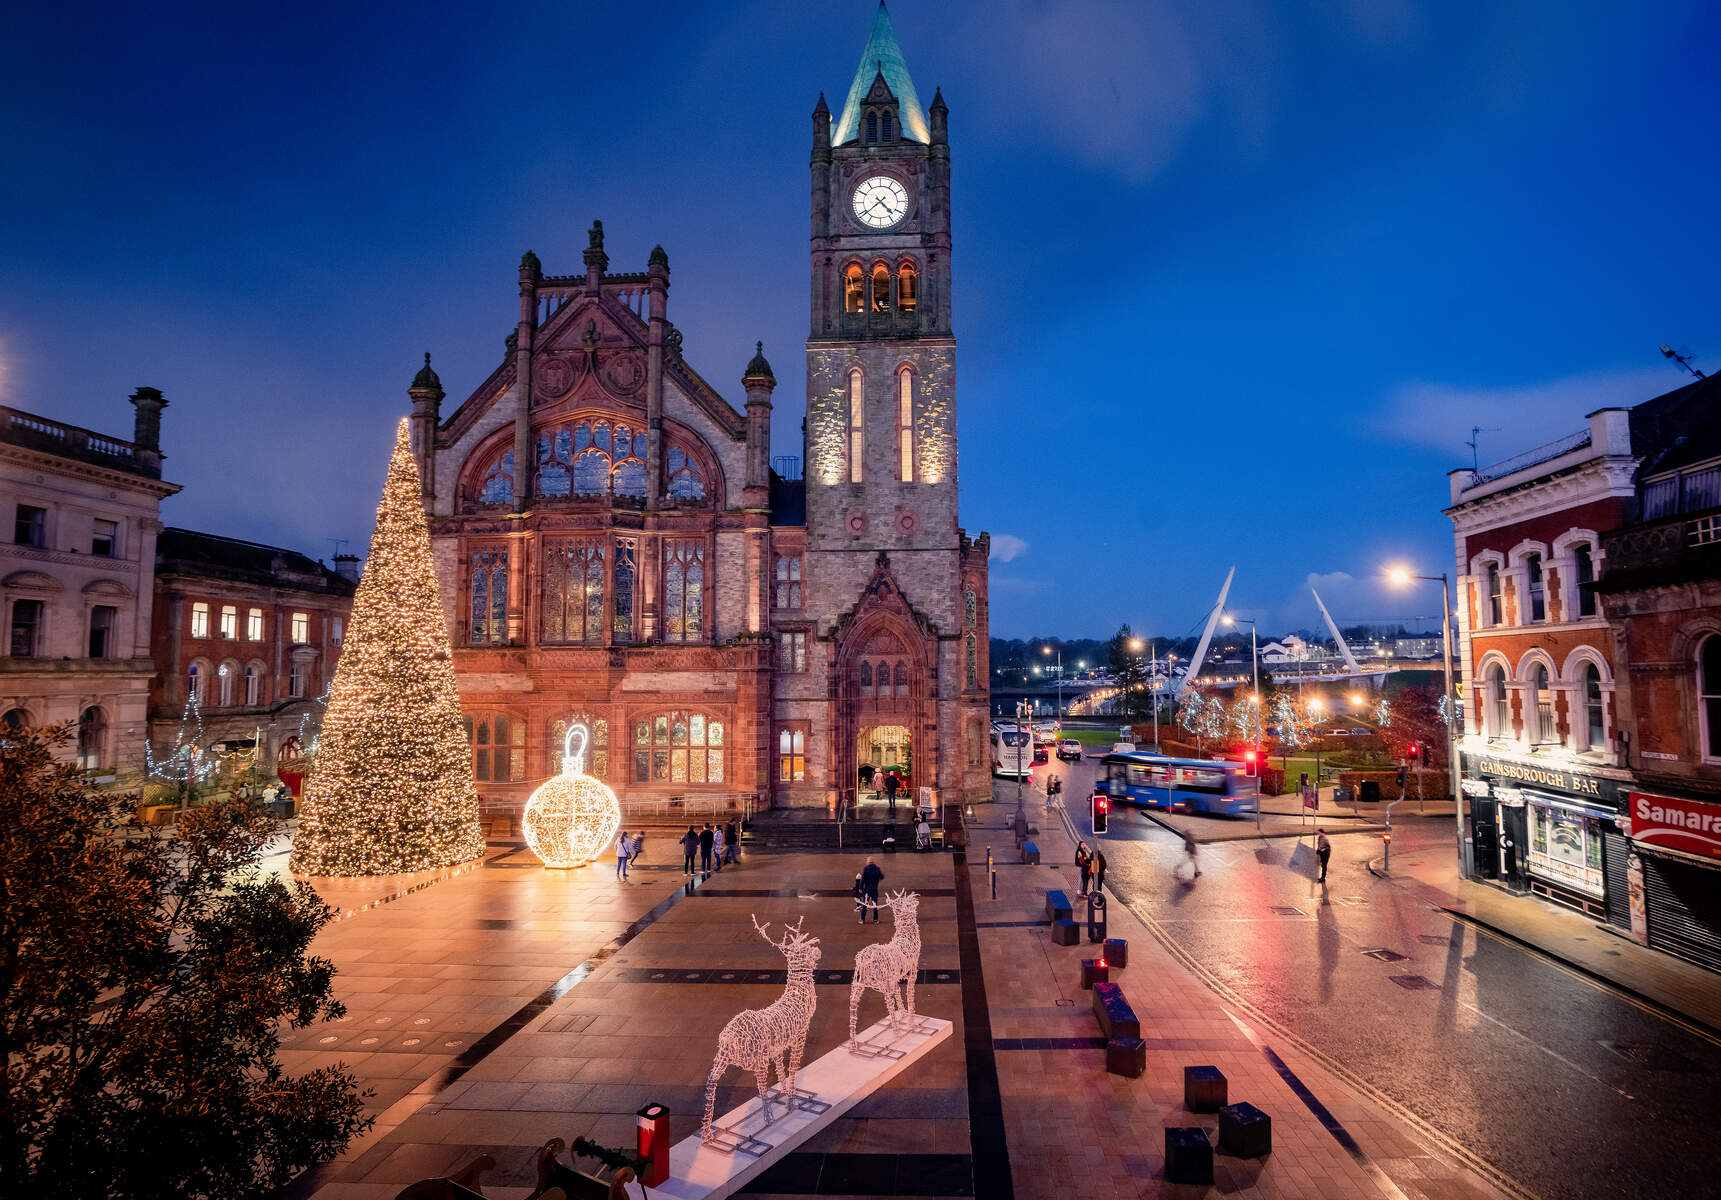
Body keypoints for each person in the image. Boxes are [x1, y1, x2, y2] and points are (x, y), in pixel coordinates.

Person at [859, 855, 884, 923]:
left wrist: (860, 888)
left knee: (865, 904)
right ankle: (875, 919)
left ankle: (862, 919)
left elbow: (862, 879)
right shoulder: (877, 868)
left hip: (867, 889)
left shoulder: (866, 869)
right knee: (875, 905)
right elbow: (882, 877)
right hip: (875, 889)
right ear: (873, 861)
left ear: (868, 861)